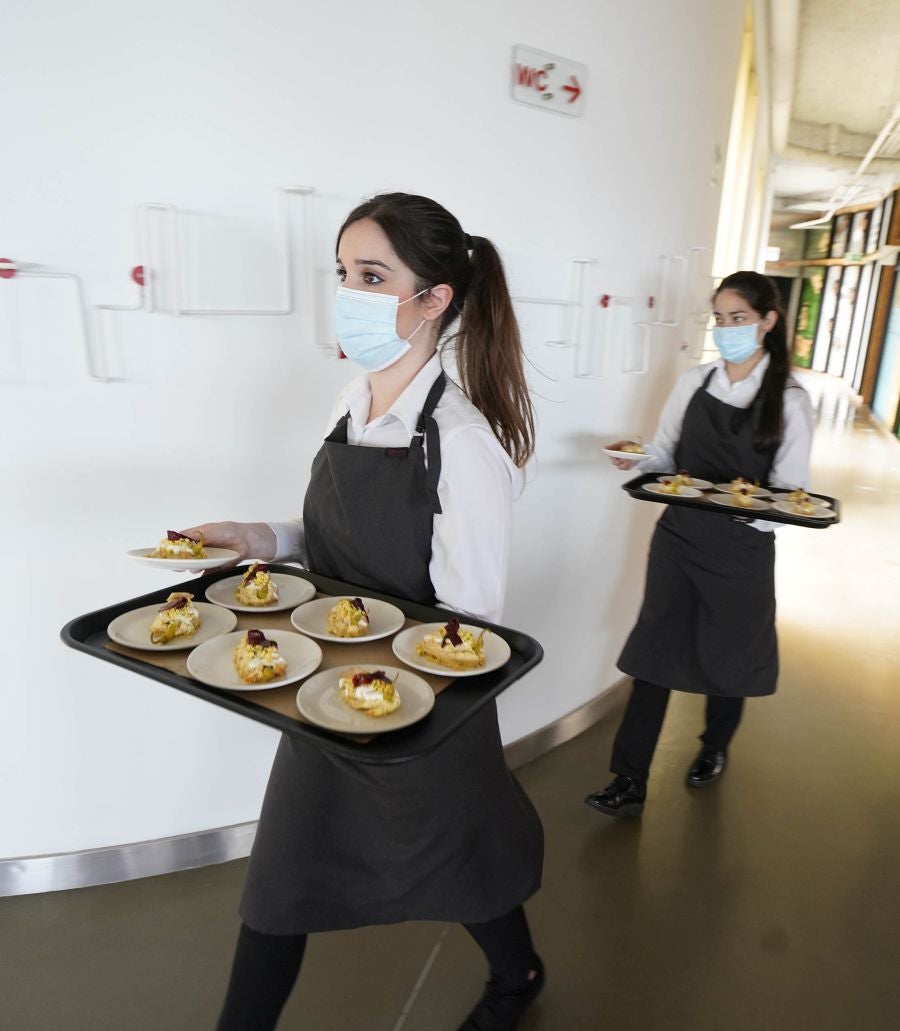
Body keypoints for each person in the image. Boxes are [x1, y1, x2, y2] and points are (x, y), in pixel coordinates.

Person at [183, 193, 545, 1031]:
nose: (348, 293)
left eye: (373, 276)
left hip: (424, 711)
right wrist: (262, 536)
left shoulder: (462, 440)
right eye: (344, 272)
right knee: (280, 880)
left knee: (461, 860)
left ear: (435, 299)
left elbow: (470, 623)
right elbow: (333, 532)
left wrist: (376, 677)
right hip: (324, 696)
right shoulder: (352, 401)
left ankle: (519, 971)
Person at [585, 271, 814, 817]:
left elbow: (790, 492)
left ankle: (714, 747)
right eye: (720, 318)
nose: (727, 329)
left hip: (742, 548)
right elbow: (667, 455)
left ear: (768, 321)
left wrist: (740, 513)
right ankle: (629, 779)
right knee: (654, 652)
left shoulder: (790, 399)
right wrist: (636, 459)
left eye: (739, 318)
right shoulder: (695, 382)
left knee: (730, 653)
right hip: (680, 539)